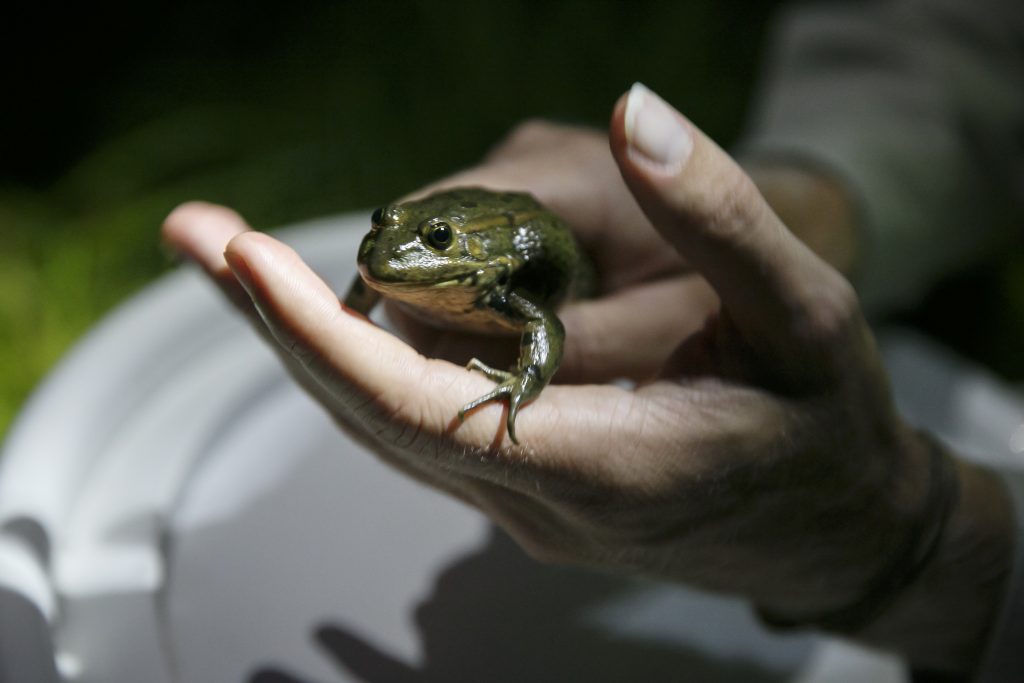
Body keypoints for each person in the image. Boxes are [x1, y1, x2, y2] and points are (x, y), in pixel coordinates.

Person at [162, 1, 1023, 679]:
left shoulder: (499, 284)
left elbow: (544, 324)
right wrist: (814, 206)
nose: (392, 252)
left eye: (430, 246)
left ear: (465, 258)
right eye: (395, 233)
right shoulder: (399, 258)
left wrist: (918, 543)